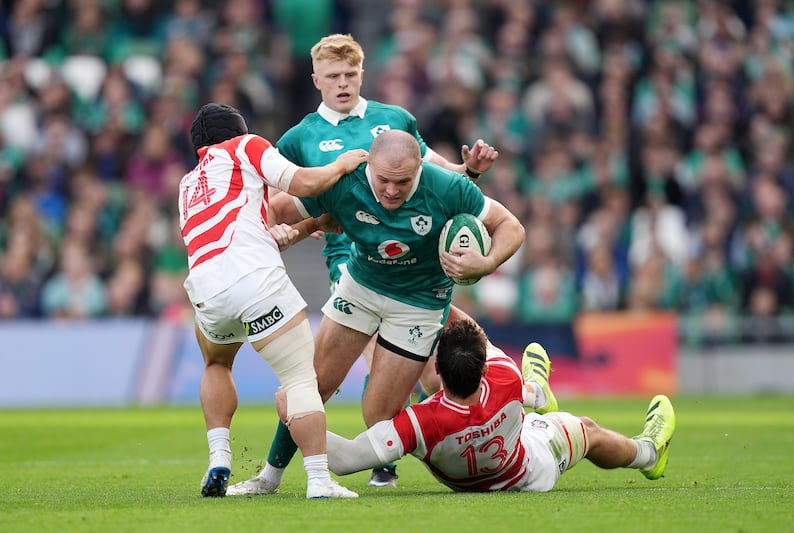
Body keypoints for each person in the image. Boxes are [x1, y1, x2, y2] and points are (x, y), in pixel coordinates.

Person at [228, 32, 501, 492]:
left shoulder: (393, 120)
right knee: (324, 375)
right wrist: (281, 230)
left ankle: (391, 449)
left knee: (398, 352)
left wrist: (470, 170)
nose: (342, 83)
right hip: (349, 252)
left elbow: (434, 173)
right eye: (332, 76)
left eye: (350, 74)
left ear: (362, 74)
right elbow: (275, 198)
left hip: (415, 257)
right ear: (315, 79)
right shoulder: (299, 139)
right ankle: (293, 471)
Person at [178, 102, 368, 498]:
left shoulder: (189, 185)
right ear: (237, 129)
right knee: (299, 377)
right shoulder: (244, 147)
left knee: (215, 362)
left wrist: (310, 225)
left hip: (206, 290)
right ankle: (318, 480)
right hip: (255, 281)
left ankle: (219, 457)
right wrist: (342, 164)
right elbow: (303, 183)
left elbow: (248, 238)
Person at [311, 306, 677, 492]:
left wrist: (298, 415)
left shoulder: (420, 423)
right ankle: (648, 454)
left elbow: (343, 460)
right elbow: (481, 338)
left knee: (529, 405)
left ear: (438, 369)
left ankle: (537, 393)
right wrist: (443, 297)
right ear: (483, 368)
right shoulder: (503, 376)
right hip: (529, 467)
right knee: (587, 429)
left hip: (463, 476)